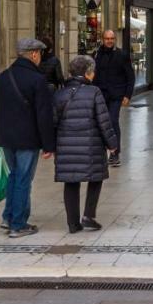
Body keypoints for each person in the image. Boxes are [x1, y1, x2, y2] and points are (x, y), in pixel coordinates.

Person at [0, 38, 55, 238]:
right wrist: (48, 144)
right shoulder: (37, 80)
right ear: (33, 54)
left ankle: (8, 217)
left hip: (6, 138)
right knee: (23, 179)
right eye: (39, 54)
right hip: (28, 139)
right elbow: (44, 115)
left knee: (13, 176)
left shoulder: (3, 77)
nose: (40, 58)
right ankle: (18, 224)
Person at [52, 55, 119, 233]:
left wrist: (50, 146)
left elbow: (53, 122)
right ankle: (88, 216)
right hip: (92, 145)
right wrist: (112, 144)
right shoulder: (94, 92)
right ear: (88, 74)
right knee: (96, 177)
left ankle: (73, 223)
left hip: (66, 146)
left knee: (71, 182)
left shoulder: (59, 94)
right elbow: (104, 121)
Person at [92, 29, 134, 167]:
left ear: (114, 39)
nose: (109, 41)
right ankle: (101, 153)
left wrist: (127, 95)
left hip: (116, 95)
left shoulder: (122, 55)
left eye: (112, 38)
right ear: (102, 39)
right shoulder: (97, 55)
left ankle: (115, 153)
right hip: (100, 95)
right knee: (100, 123)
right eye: (107, 38)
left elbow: (130, 76)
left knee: (112, 121)